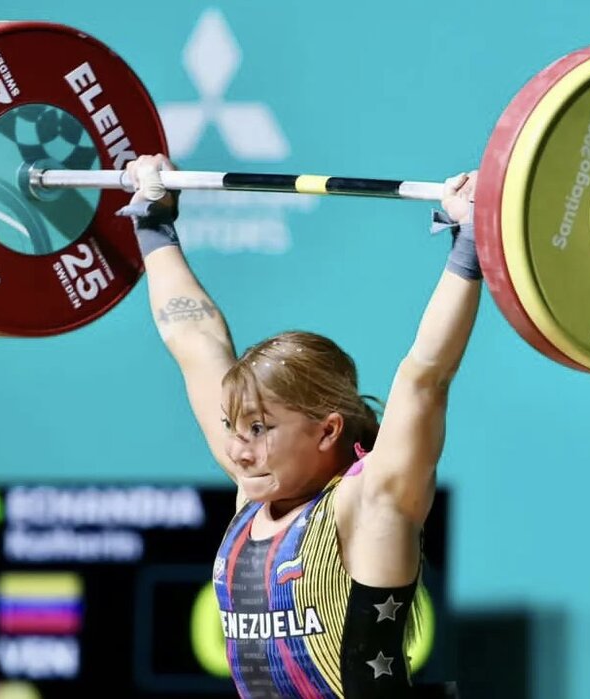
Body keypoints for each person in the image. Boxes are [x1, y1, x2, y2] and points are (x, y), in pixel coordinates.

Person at [119, 154, 480, 698]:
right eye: (233, 427)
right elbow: (194, 342)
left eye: (259, 430)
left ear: (328, 430)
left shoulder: (370, 501)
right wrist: (153, 225)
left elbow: (425, 375)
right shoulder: (255, 490)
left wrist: (470, 242)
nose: (237, 450)